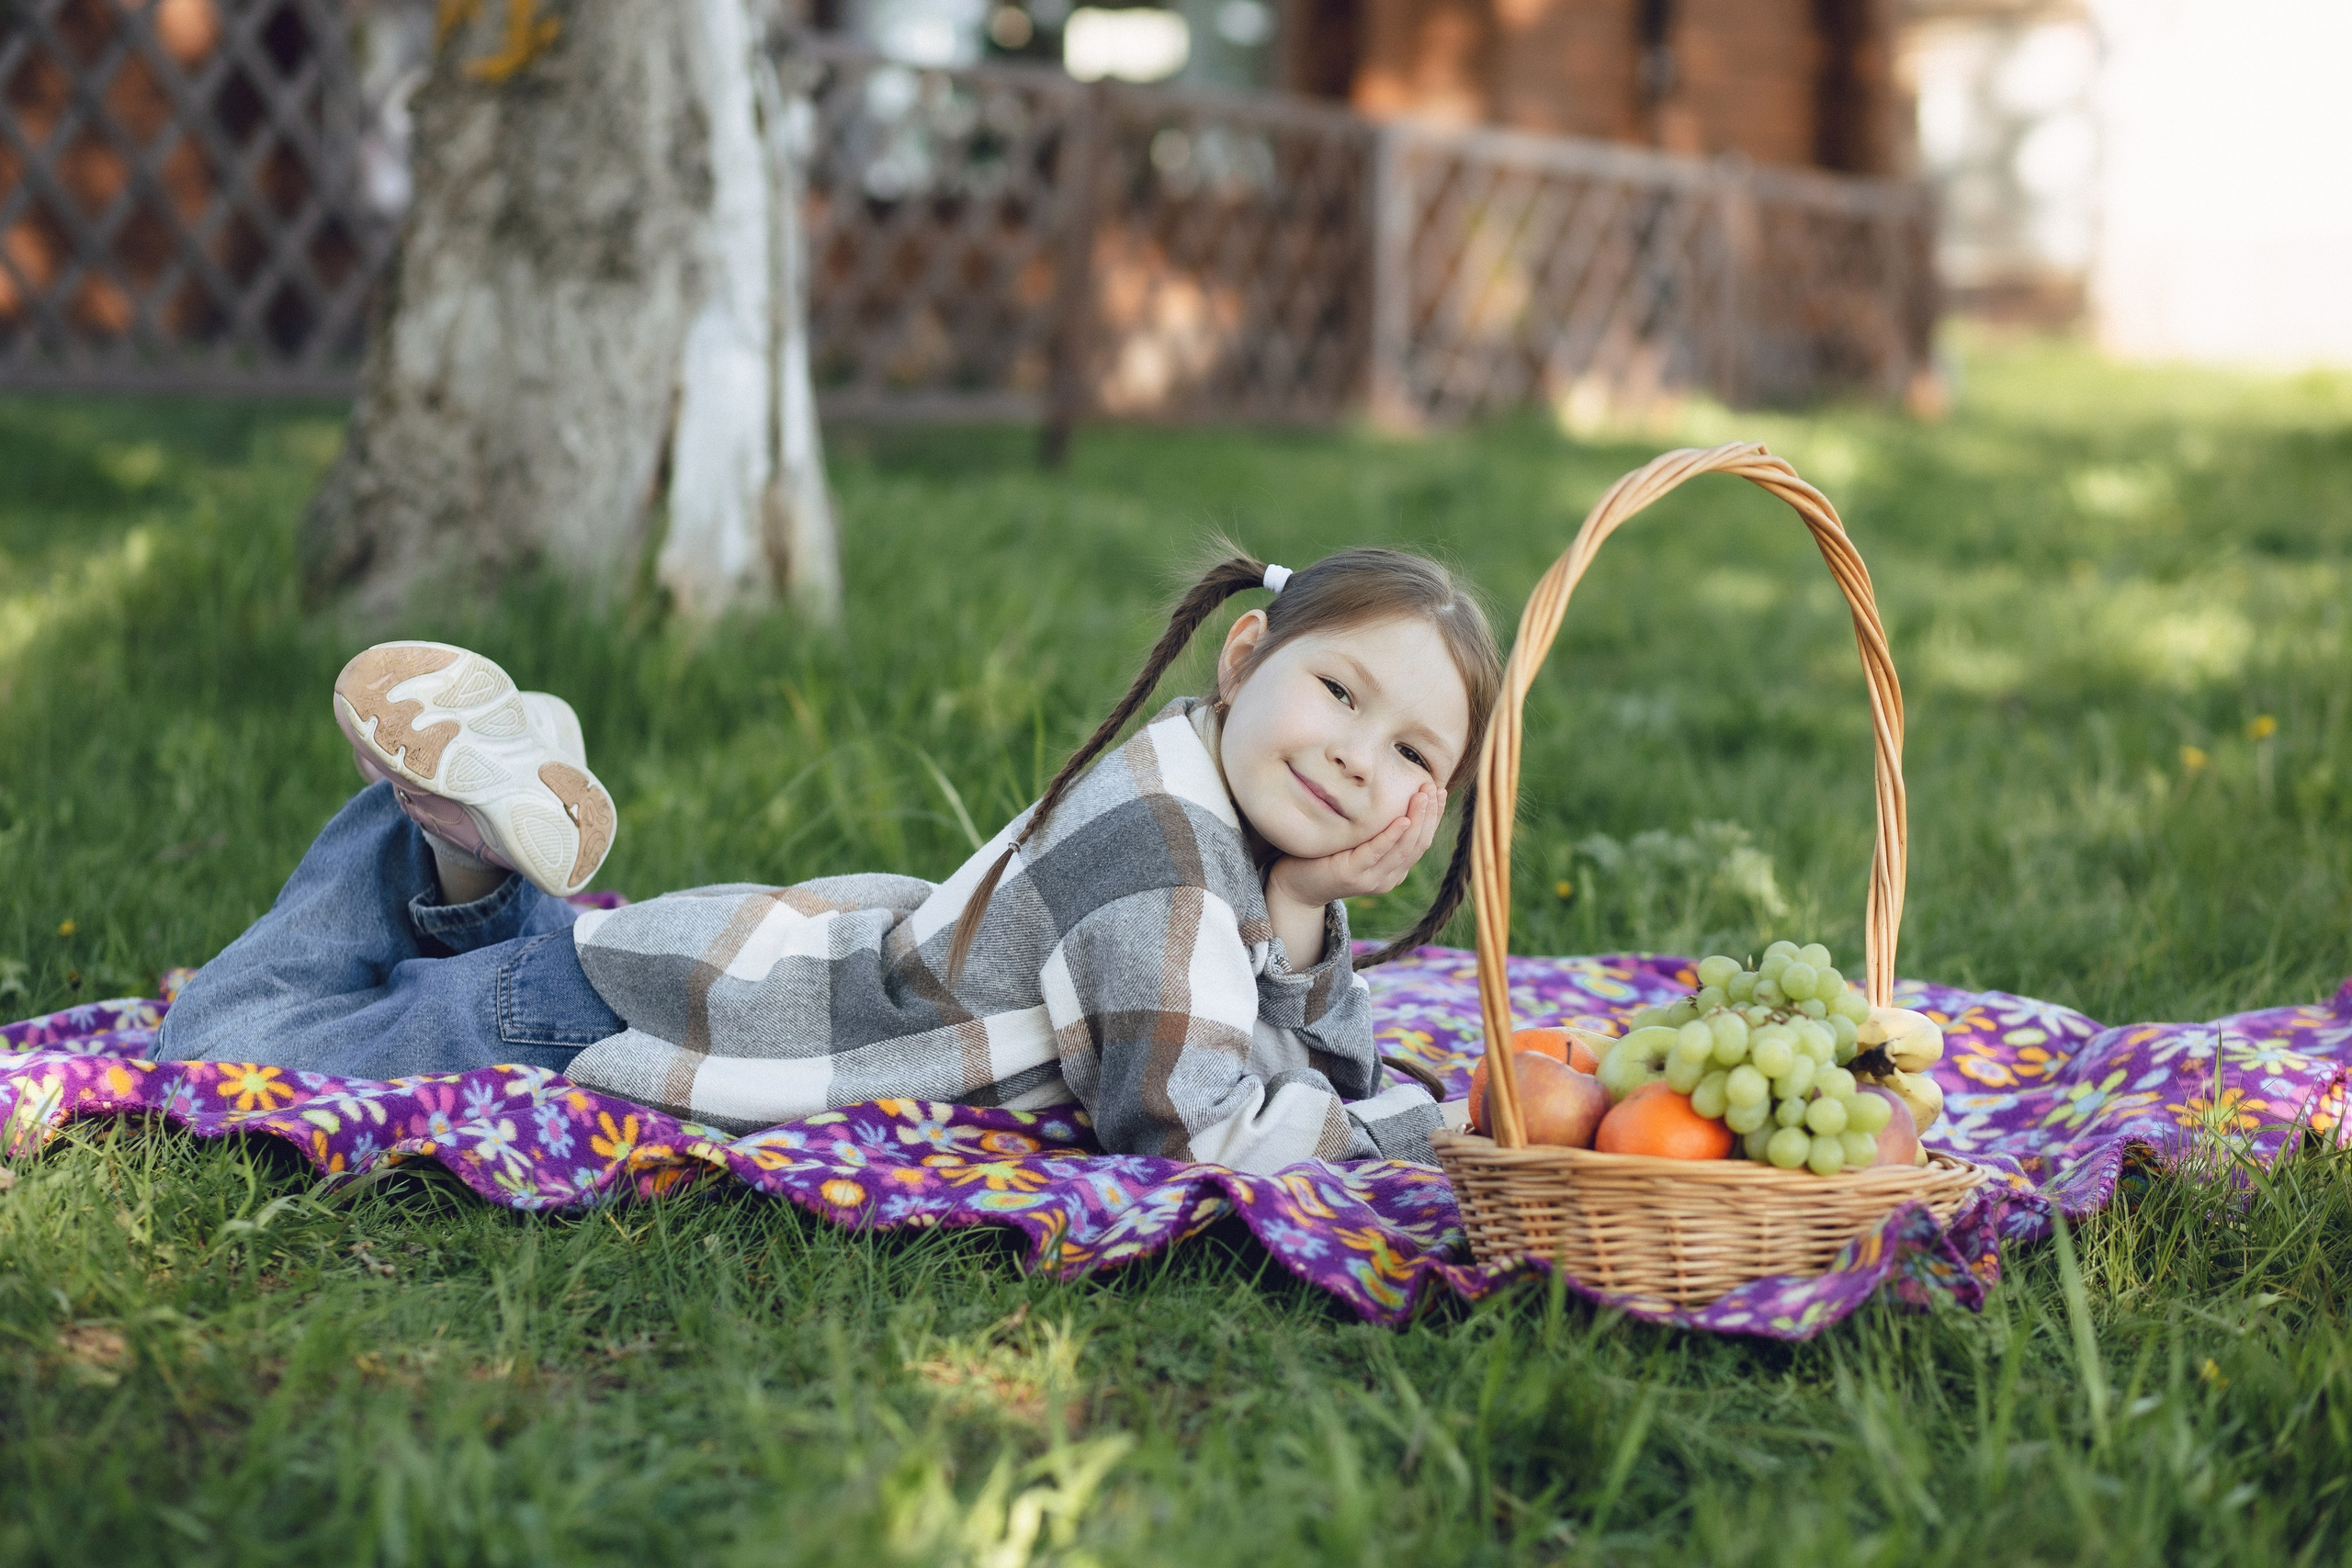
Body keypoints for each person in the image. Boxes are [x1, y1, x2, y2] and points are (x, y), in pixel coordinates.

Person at [157, 548, 1501, 1173]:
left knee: (459, 973)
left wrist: (1316, 914)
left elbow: (1292, 1066)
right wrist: (1423, 1136)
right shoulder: (1161, 851)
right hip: (618, 1024)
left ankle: (466, 853)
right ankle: (421, 823)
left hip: (741, 967)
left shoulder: (1217, 814)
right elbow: (1199, 1126)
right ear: (1250, 658)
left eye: (1410, 755)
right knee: (224, 1042)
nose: (1356, 758)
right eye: (1340, 693)